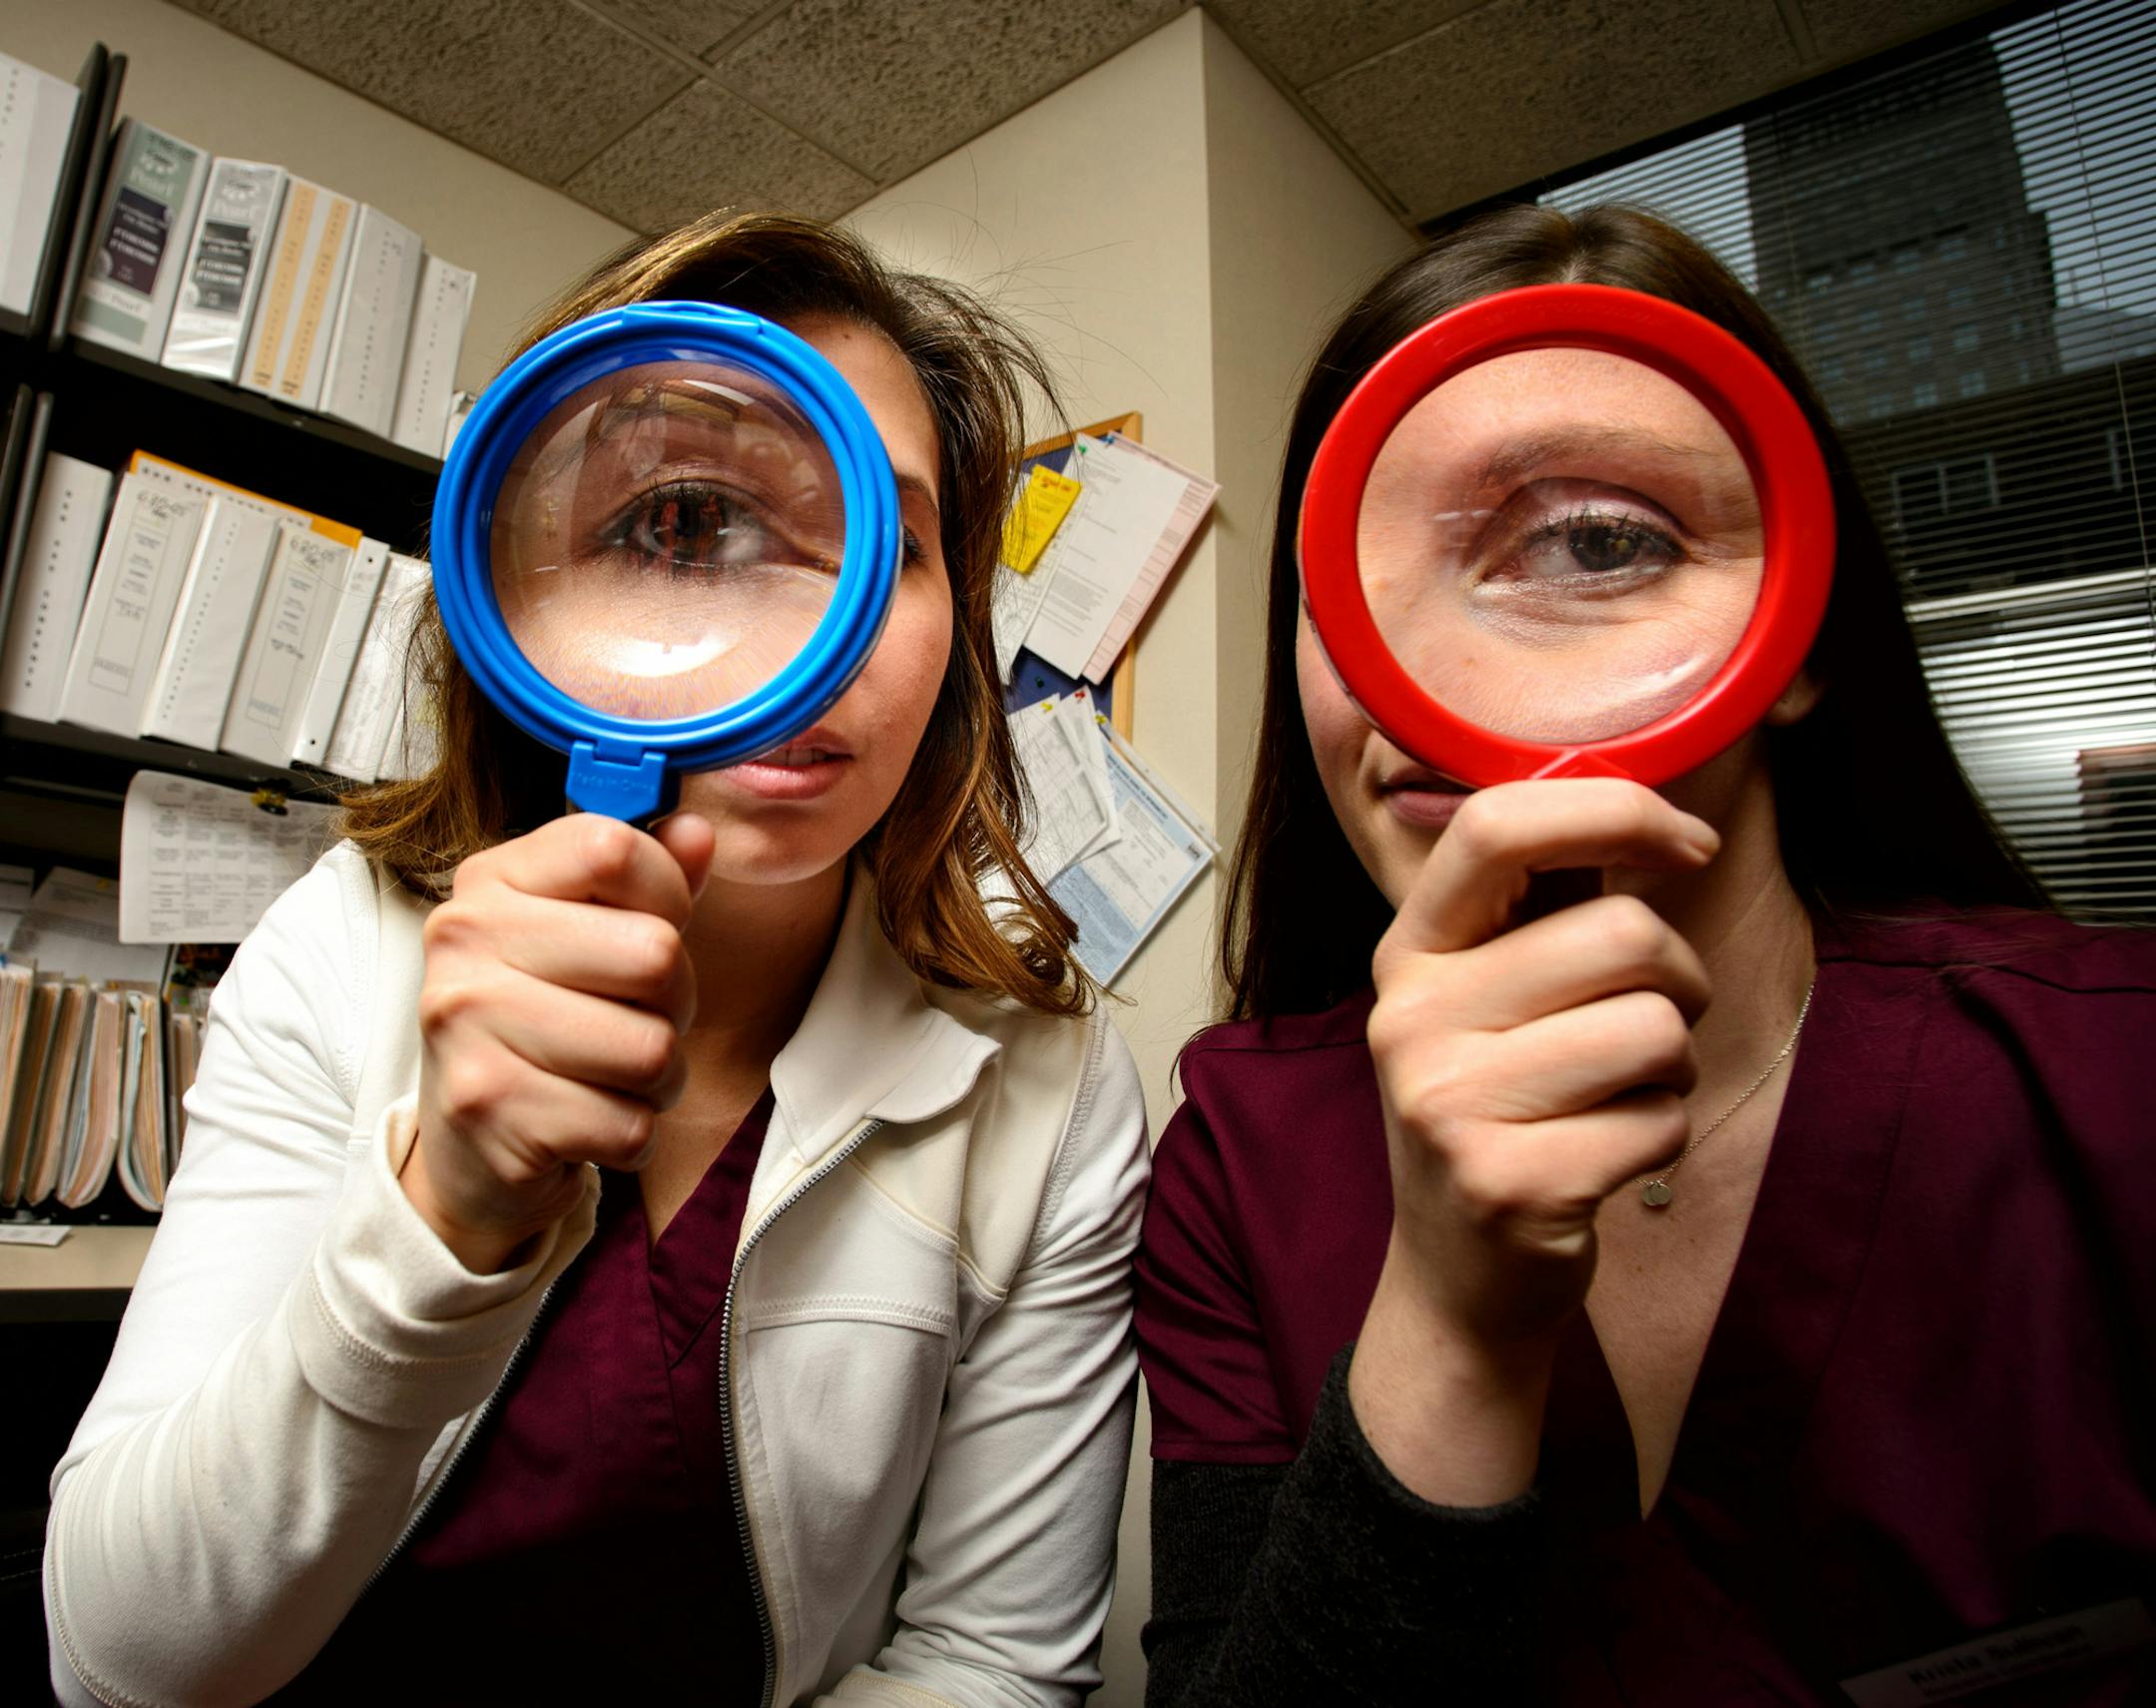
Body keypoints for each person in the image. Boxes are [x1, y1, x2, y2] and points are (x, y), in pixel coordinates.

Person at [46, 212, 1150, 1708]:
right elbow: (119, 1665)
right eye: (687, 527)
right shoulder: (339, 939)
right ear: (517, 580)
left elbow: (995, 1666)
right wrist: (442, 1211)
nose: (807, 633)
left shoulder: (1056, 1092)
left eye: (891, 544)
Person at [1135, 203, 2156, 1705]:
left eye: (1599, 543)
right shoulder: (1235, 1142)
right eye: (1343, 575)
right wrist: (1452, 1325)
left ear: (1799, 636)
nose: (1416, 683)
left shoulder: (2119, 1069)